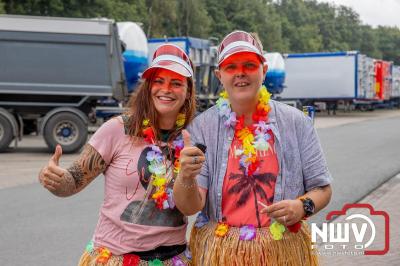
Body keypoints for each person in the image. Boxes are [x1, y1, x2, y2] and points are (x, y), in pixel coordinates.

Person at [173, 30, 332, 265]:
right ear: (219, 75)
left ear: (263, 70)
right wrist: (185, 176)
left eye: (249, 65)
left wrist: (302, 207)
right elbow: (190, 207)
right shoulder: (203, 126)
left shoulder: (296, 122)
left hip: (282, 252)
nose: (240, 73)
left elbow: (323, 189)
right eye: (231, 67)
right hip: (221, 253)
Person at [38, 43, 199, 265]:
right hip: (117, 257)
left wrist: (188, 176)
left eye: (176, 83)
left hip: (173, 257)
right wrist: (53, 178)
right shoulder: (117, 129)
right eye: (159, 81)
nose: (166, 89)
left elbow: (191, 207)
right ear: (148, 86)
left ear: (188, 91)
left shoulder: (194, 139)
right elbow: (73, 181)